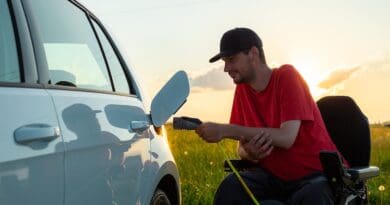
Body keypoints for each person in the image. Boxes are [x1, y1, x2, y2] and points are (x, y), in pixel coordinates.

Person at [195, 27, 345, 205]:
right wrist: (248, 154)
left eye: (231, 60)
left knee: (313, 196)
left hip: (314, 176)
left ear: (253, 53)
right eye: (225, 62)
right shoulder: (242, 90)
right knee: (231, 187)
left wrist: (224, 130)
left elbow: (286, 137)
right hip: (273, 178)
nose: (226, 68)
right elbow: (240, 146)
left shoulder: (287, 76)